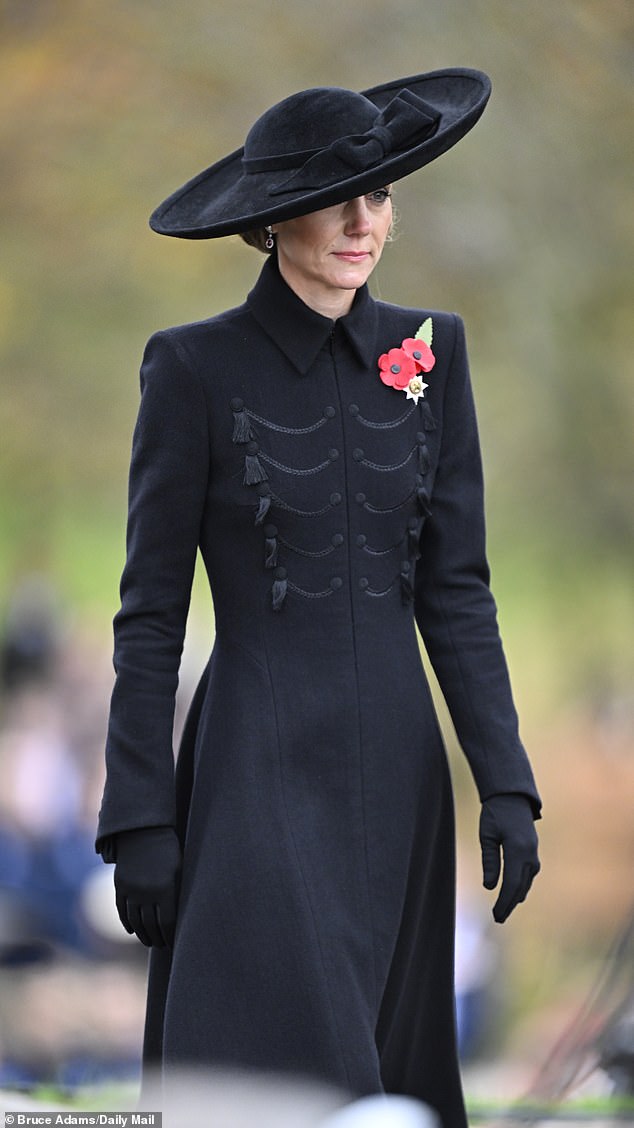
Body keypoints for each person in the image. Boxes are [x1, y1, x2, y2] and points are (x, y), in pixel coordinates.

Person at [96, 69, 541, 1127]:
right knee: (286, 1065)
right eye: (339, 197)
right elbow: (150, 612)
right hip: (256, 767)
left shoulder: (430, 354)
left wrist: (508, 781)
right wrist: (138, 815)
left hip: (399, 771)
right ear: (269, 220)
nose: (362, 221)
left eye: (380, 194)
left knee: (383, 1068)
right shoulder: (192, 368)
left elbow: (459, 590)